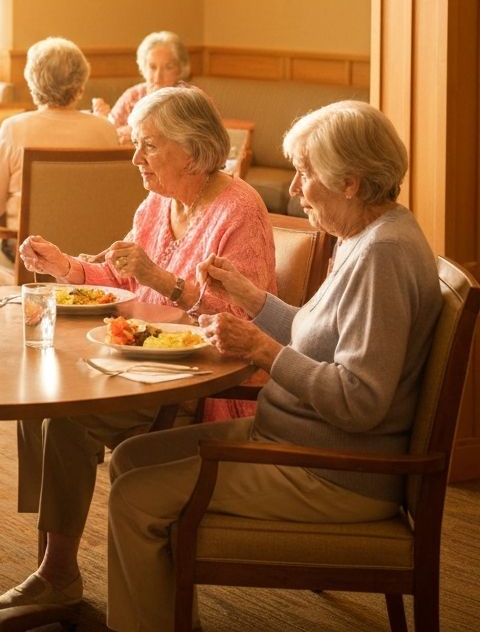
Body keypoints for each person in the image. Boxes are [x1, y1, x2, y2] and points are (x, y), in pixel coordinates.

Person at [105, 100, 442, 632]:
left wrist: (263, 350)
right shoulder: (367, 238)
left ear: (350, 182)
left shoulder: (384, 257)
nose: (293, 189)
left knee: (134, 496)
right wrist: (253, 299)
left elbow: (360, 401)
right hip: (294, 440)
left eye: (306, 175)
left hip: (333, 473)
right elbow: (321, 334)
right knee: (131, 458)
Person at [0, 86, 276, 611]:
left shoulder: (240, 210)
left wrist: (166, 283)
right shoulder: (158, 202)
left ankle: (56, 572)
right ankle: (54, 559)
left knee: (65, 417)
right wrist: (67, 269)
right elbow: (120, 277)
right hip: (139, 365)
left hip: (199, 384)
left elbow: (242, 327)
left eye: (148, 146)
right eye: (137, 144)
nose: (135, 157)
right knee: (42, 398)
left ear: (191, 150)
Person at [0, 37, 119, 246]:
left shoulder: (14, 129)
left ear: (33, 82)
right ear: (81, 83)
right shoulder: (105, 129)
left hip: (28, 255)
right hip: (89, 256)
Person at [92, 30, 190, 145]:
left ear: (180, 69)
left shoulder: (189, 99)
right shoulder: (133, 96)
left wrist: (134, 133)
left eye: (168, 67)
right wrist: (101, 121)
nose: (158, 77)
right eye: (152, 67)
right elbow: (109, 134)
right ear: (143, 68)